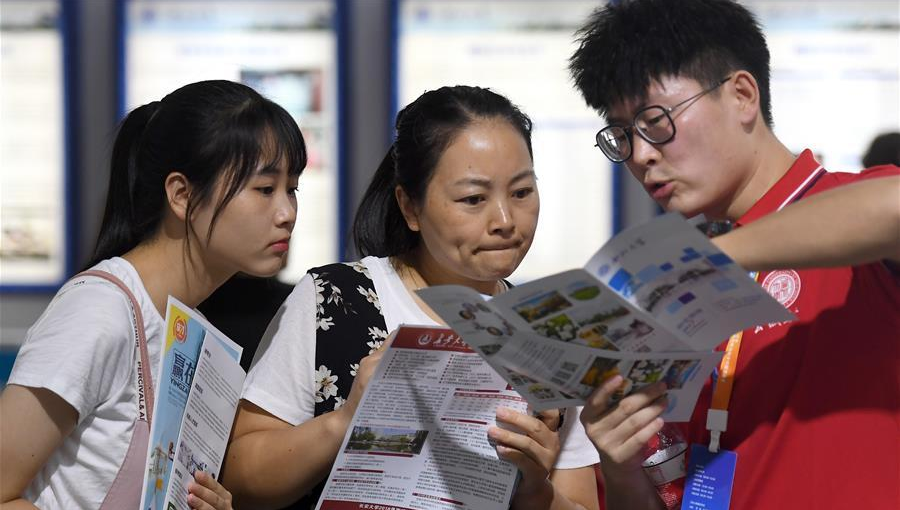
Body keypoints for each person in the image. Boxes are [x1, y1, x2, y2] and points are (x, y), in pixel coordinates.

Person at [567, 1, 900, 509]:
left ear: (742, 95)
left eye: (655, 121)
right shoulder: (671, 285)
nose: (641, 154)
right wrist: (622, 469)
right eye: (623, 134)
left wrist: (712, 257)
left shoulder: (851, 209)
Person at [223, 85, 600, 510]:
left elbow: (582, 502)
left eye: (522, 192)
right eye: (473, 199)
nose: (505, 220)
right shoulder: (335, 300)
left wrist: (534, 489)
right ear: (410, 207)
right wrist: (344, 421)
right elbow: (239, 475)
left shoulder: (547, 335)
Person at [0, 80, 306, 509]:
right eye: (265, 189)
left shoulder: (193, 333)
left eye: (293, 189)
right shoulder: (99, 312)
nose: (287, 212)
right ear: (181, 195)